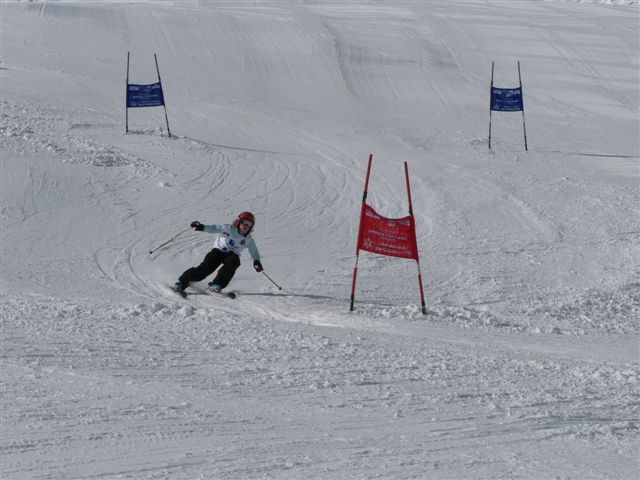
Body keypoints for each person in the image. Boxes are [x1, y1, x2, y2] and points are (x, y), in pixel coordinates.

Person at [171, 211, 263, 294]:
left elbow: (254, 250)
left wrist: (256, 261)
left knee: (234, 262)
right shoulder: (227, 228)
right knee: (203, 271)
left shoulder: (248, 239)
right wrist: (202, 227)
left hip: (232, 255)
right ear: (239, 221)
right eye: (245, 222)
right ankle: (182, 283)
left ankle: (217, 284)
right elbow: (214, 228)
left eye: (250, 224)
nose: (246, 226)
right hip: (218, 252)